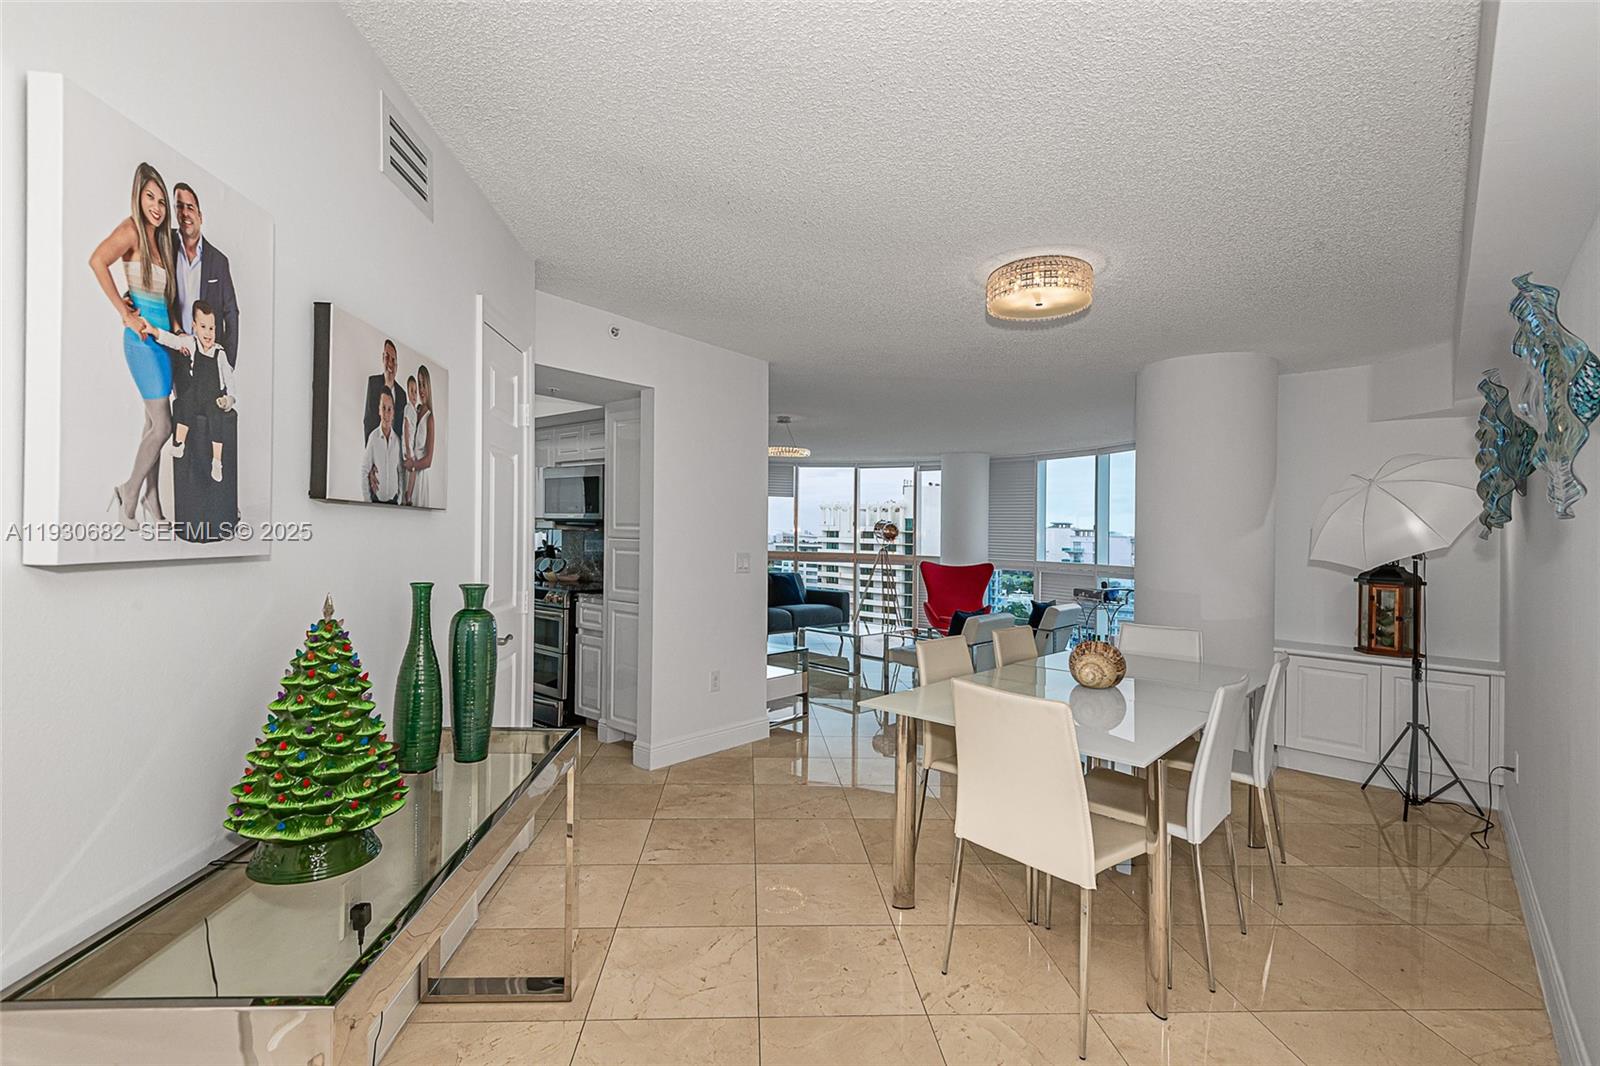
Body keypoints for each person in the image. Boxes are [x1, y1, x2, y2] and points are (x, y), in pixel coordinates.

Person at [89, 162, 178, 529]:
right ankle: (129, 489)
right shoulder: (131, 231)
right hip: (140, 343)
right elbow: (97, 261)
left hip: (162, 344)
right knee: (163, 426)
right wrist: (125, 314)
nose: (156, 207)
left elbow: (166, 297)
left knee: (150, 425)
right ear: (138, 196)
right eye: (149, 197)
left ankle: (152, 499)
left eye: (161, 200)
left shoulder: (163, 239)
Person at [152, 301, 235, 483]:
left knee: (216, 418)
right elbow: (173, 341)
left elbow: (229, 379)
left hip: (213, 397)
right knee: (184, 403)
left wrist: (229, 399)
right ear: (194, 326)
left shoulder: (219, 353)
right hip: (195, 394)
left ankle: (217, 460)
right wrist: (154, 332)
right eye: (203, 327)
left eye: (212, 328)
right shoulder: (191, 343)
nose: (208, 333)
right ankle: (180, 443)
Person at [170, 182, 240, 368]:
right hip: (176, 352)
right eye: (180, 207)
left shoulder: (218, 261)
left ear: (200, 216)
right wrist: (130, 297)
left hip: (207, 357)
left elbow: (231, 312)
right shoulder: (166, 246)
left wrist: (228, 363)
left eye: (190, 207)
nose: (185, 213)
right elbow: (150, 277)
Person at [362, 339, 407, 502]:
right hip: (377, 462)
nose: (390, 362)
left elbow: (401, 431)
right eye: (387, 357)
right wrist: (371, 463)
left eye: (393, 359)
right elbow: (367, 421)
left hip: (394, 469)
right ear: (382, 358)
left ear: (397, 365)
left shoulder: (402, 394)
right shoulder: (373, 383)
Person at [361, 391, 402, 504]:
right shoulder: (373, 438)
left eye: (389, 409)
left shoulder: (397, 441)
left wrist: (400, 500)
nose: (386, 413)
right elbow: (364, 470)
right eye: (383, 408)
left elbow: (400, 471)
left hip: (394, 502)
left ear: (393, 413)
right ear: (379, 410)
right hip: (376, 501)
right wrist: (367, 501)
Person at [405, 364, 436, 508]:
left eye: (424, 384)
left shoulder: (430, 418)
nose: (421, 389)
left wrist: (412, 466)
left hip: (420, 476)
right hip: (409, 472)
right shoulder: (414, 410)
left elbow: (429, 460)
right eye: (419, 384)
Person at [401, 374, 419, 504]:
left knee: (412, 470)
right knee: (413, 469)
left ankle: (408, 493)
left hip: (410, 445)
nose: (414, 394)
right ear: (408, 392)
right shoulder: (408, 408)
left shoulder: (413, 409)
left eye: (415, 391)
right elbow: (406, 428)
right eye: (411, 391)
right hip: (406, 445)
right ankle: (408, 495)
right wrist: (408, 448)